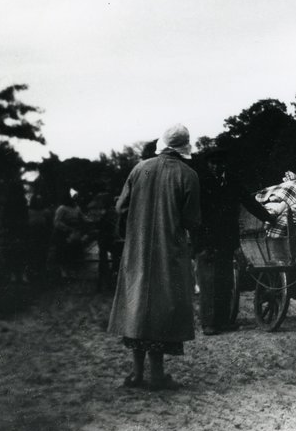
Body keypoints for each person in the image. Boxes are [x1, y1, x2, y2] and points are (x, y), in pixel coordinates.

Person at [108, 123, 201, 390]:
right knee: (162, 308)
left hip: (137, 249)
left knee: (138, 306)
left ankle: (137, 373)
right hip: (169, 251)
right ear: (184, 147)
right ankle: (157, 375)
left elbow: (120, 207)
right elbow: (192, 220)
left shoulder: (141, 169)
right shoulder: (188, 174)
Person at [195, 147, 275, 335]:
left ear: (225, 164)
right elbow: (195, 214)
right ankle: (209, 323)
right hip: (207, 241)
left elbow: (249, 202)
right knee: (209, 283)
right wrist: (200, 243)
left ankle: (224, 321)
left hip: (227, 240)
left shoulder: (232, 181)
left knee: (225, 281)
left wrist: (269, 218)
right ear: (208, 164)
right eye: (213, 163)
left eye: (220, 163)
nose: (217, 167)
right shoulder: (201, 183)